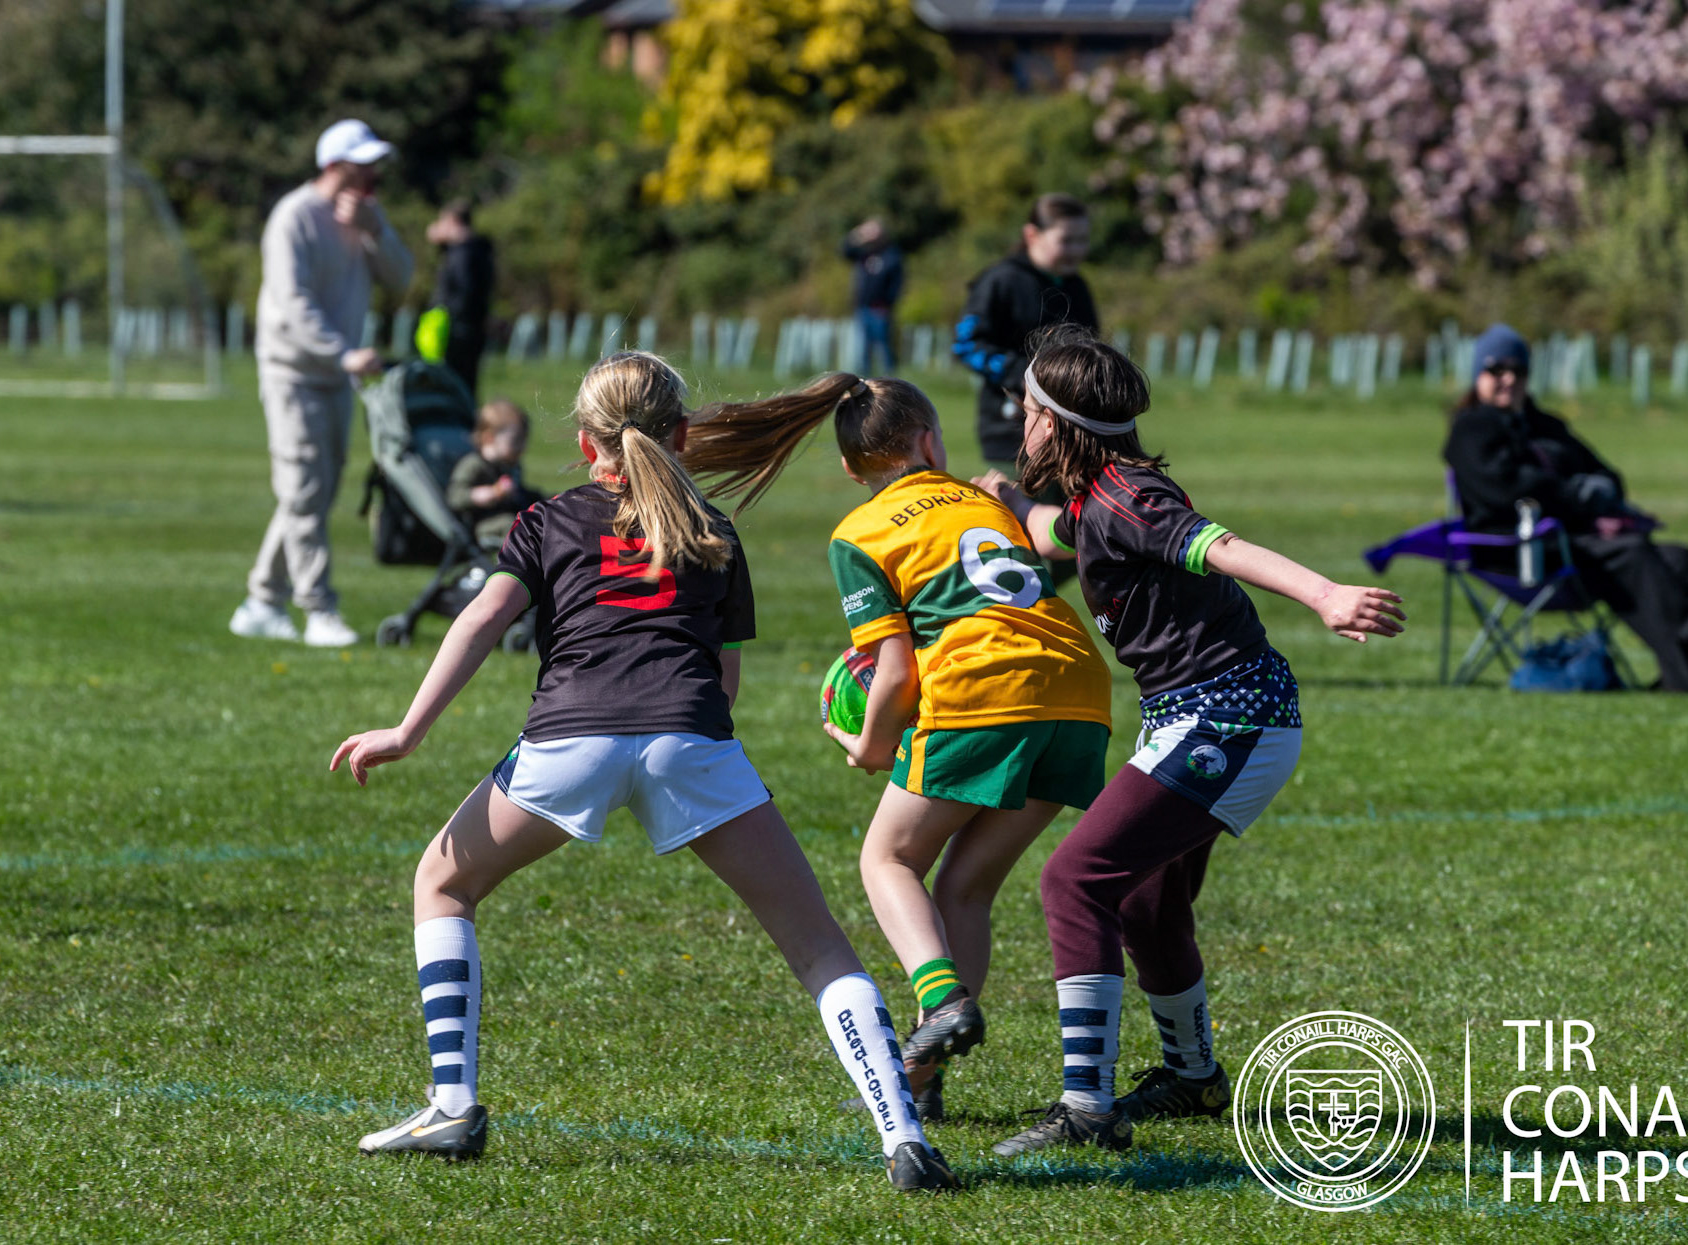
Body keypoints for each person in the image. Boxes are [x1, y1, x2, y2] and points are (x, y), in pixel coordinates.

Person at [329, 352, 955, 1192]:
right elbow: (724, 683)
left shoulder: (548, 518)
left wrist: (409, 730)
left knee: (442, 883)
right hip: (691, 739)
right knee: (819, 950)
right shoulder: (715, 529)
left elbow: (482, 616)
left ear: (586, 443)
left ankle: (452, 1103)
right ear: (684, 435)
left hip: (569, 740)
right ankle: (904, 1135)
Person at [976, 329, 1404, 1157]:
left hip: (1228, 721)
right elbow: (1052, 533)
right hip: (1206, 716)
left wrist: (1324, 594)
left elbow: (1218, 546)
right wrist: (997, 500)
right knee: (1144, 899)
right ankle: (1195, 1076)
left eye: (1026, 410)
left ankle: (1085, 1103)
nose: (1017, 423)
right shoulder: (1098, 497)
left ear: (1056, 423)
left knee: (1074, 880)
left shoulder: (1129, 497)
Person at [682, 372, 1114, 1120]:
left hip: (982, 690)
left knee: (887, 859)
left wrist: (870, 746)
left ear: (851, 468)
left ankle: (942, 1002)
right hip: (1078, 693)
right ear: (929, 442)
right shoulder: (981, 501)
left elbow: (894, 670)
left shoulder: (859, 531)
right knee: (964, 886)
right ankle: (922, 1077)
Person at [229, 119, 413, 648]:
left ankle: (262, 600)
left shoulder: (365, 216)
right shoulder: (294, 216)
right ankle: (318, 608)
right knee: (304, 489)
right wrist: (343, 351)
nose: (374, 175)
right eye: (363, 165)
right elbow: (292, 302)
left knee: (315, 491)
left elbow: (401, 278)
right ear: (334, 166)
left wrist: (376, 231)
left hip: (337, 376)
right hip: (293, 372)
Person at [1445, 324, 1688, 691]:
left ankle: (1676, 670)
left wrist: (1599, 491)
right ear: (1479, 374)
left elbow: (1605, 472)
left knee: (1678, 559)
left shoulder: (1546, 426)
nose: (1509, 379)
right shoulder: (1471, 430)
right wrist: (1577, 496)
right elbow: (1507, 490)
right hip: (1518, 550)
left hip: (1574, 543)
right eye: (1497, 370)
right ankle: (1683, 675)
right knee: (1632, 554)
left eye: (1518, 371)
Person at [953, 193, 1100, 470]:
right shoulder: (1001, 280)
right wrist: (1027, 376)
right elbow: (966, 345)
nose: (1077, 250)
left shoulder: (1078, 286)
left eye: (1082, 240)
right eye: (1066, 240)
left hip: (1074, 435)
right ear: (1032, 235)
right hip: (1012, 433)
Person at [448, 397, 541, 550]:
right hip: (481, 525)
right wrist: (485, 494)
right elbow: (454, 497)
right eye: (516, 441)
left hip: (509, 515)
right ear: (489, 437)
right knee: (512, 523)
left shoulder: (510, 466)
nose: (522, 447)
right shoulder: (473, 465)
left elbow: (521, 493)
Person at [425, 200, 495, 400]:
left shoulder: (464, 254)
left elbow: (462, 292)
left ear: (453, 222)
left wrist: (447, 315)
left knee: (456, 385)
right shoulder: (475, 250)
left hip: (458, 330)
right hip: (469, 328)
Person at [840, 218, 904, 376]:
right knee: (862, 347)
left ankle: (891, 381)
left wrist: (888, 304)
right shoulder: (863, 253)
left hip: (880, 309)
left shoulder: (891, 255)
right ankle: (864, 380)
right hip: (862, 307)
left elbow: (896, 283)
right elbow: (845, 251)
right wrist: (857, 234)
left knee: (883, 346)